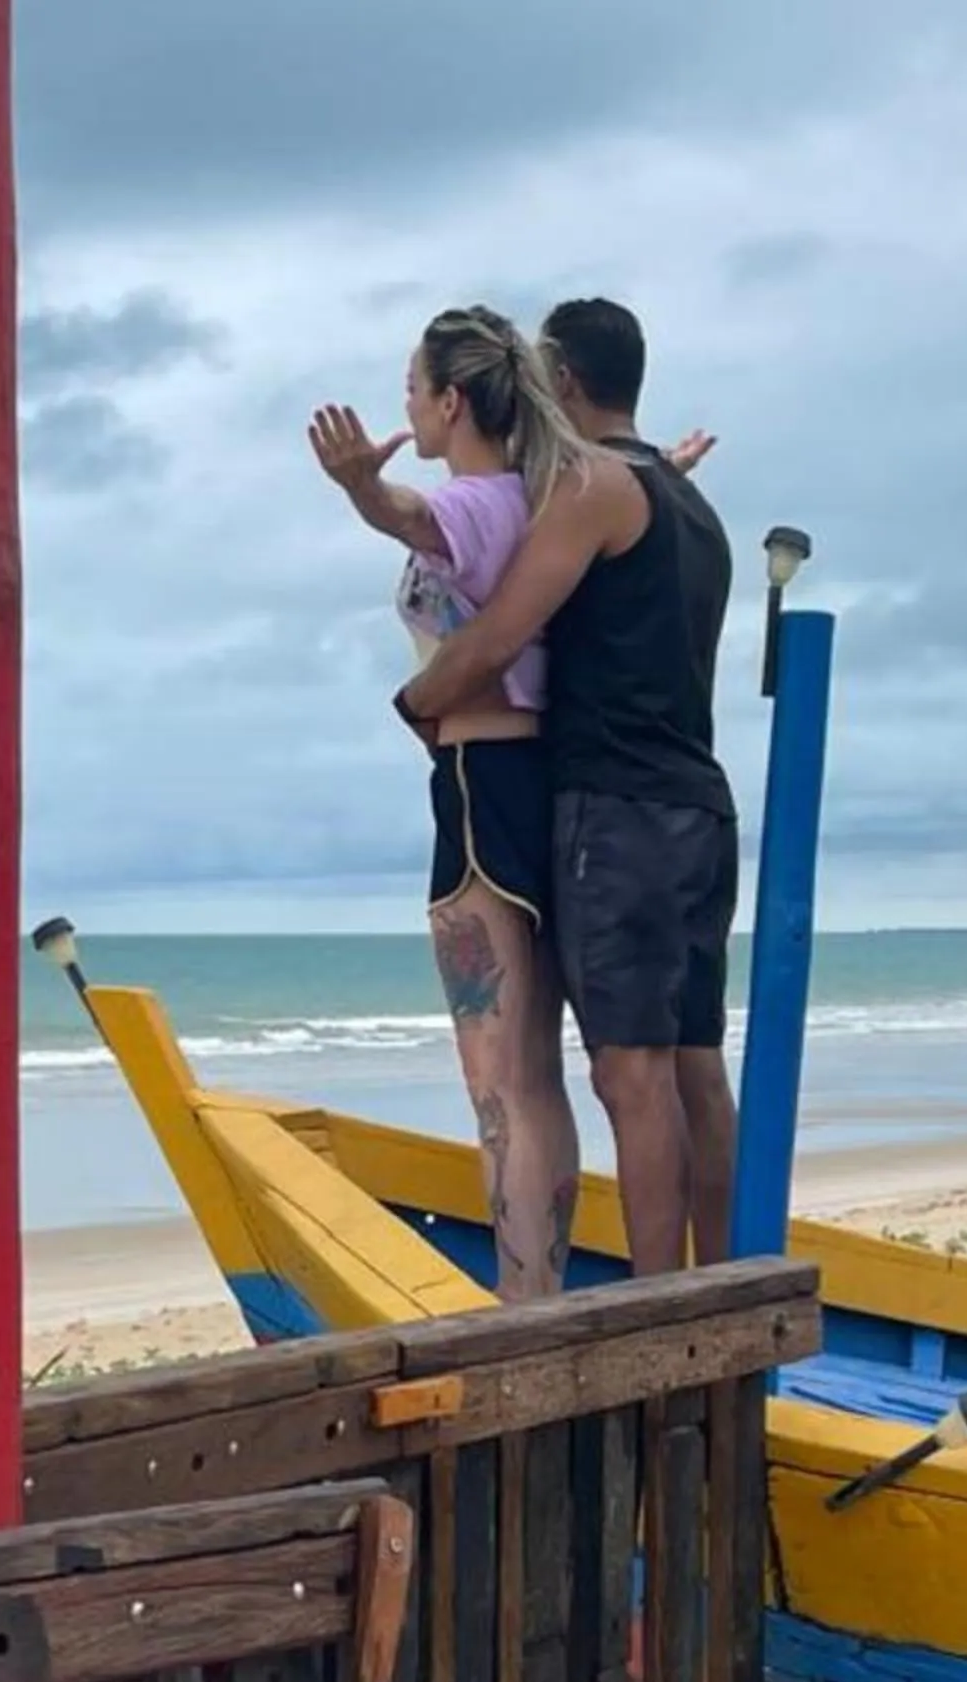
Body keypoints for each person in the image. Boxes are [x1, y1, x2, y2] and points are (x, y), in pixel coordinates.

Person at [395, 298, 738, 1277]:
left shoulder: (590, 486)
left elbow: (500, 632)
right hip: (696, 802)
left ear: (567, 384)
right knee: (691, 1066)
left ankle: (658, 1306)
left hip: (614, 803)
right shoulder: (684, 499)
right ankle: (713, 1280)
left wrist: (416, 702)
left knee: (624, 1072)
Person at [307, 305, 591, 1299]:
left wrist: (357, 487)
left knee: (497, 1081)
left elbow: (412, 516)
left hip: (479, 787)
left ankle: (522, 1304)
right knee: (538, 1070)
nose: (408, 412)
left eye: (413, 394)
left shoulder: (477, 502)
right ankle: (539, 1287)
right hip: (541, 785)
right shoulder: (549, 494)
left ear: (453, 400)